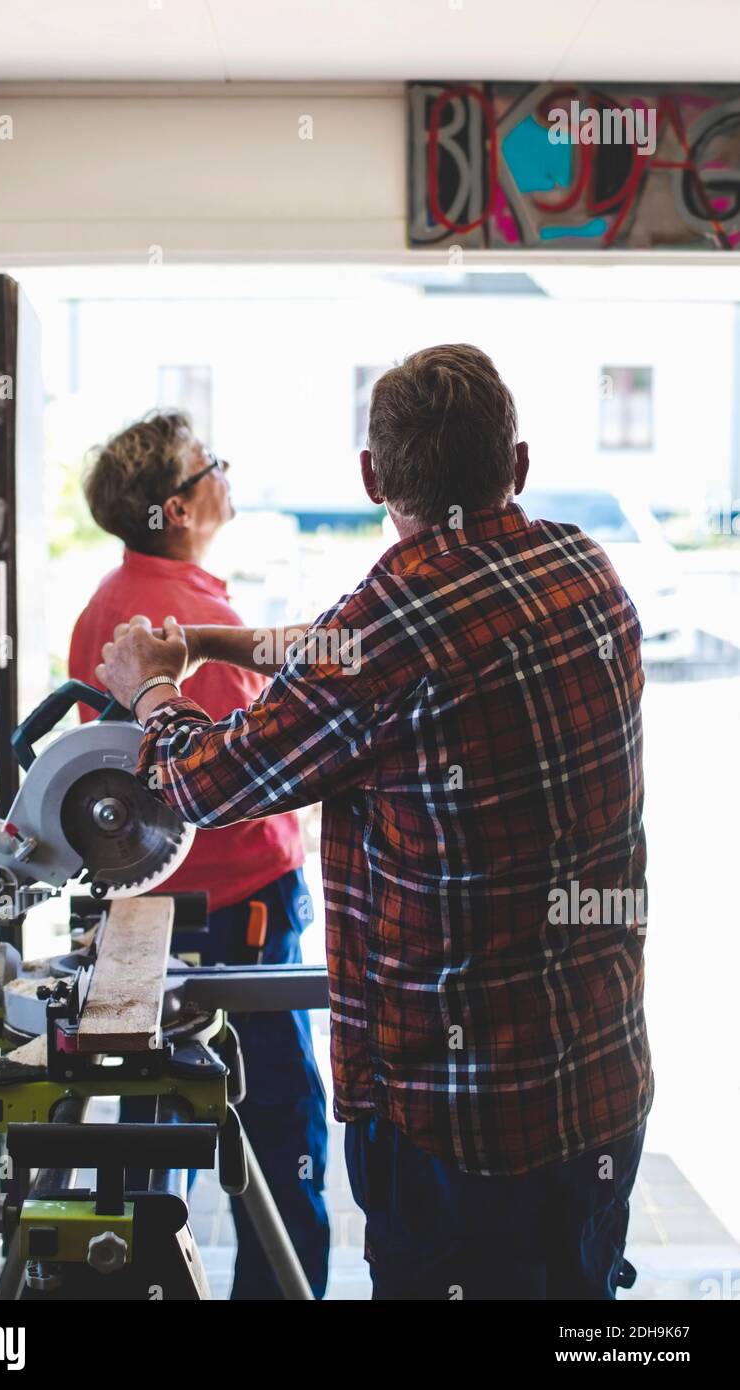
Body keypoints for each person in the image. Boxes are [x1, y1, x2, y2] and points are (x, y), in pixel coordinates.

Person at [97, 346, 654, 1302]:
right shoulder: (584, 566)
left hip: (461, 1129)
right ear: (516, 466)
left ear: (370, 479)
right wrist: (204, 644)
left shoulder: (395, 628)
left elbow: (200, 780)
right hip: (601, 1088)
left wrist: (149, 690)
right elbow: (346, 651)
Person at [68, 411, 329, 1300]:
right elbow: (234, 781)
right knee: (280, 1125)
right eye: (210, 464)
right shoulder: (187, 620)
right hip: (239, 911)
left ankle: (148, 1286)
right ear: (177, 510)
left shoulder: (109, 605)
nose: (227, 471)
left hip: (149, 917)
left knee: (156, 1124)